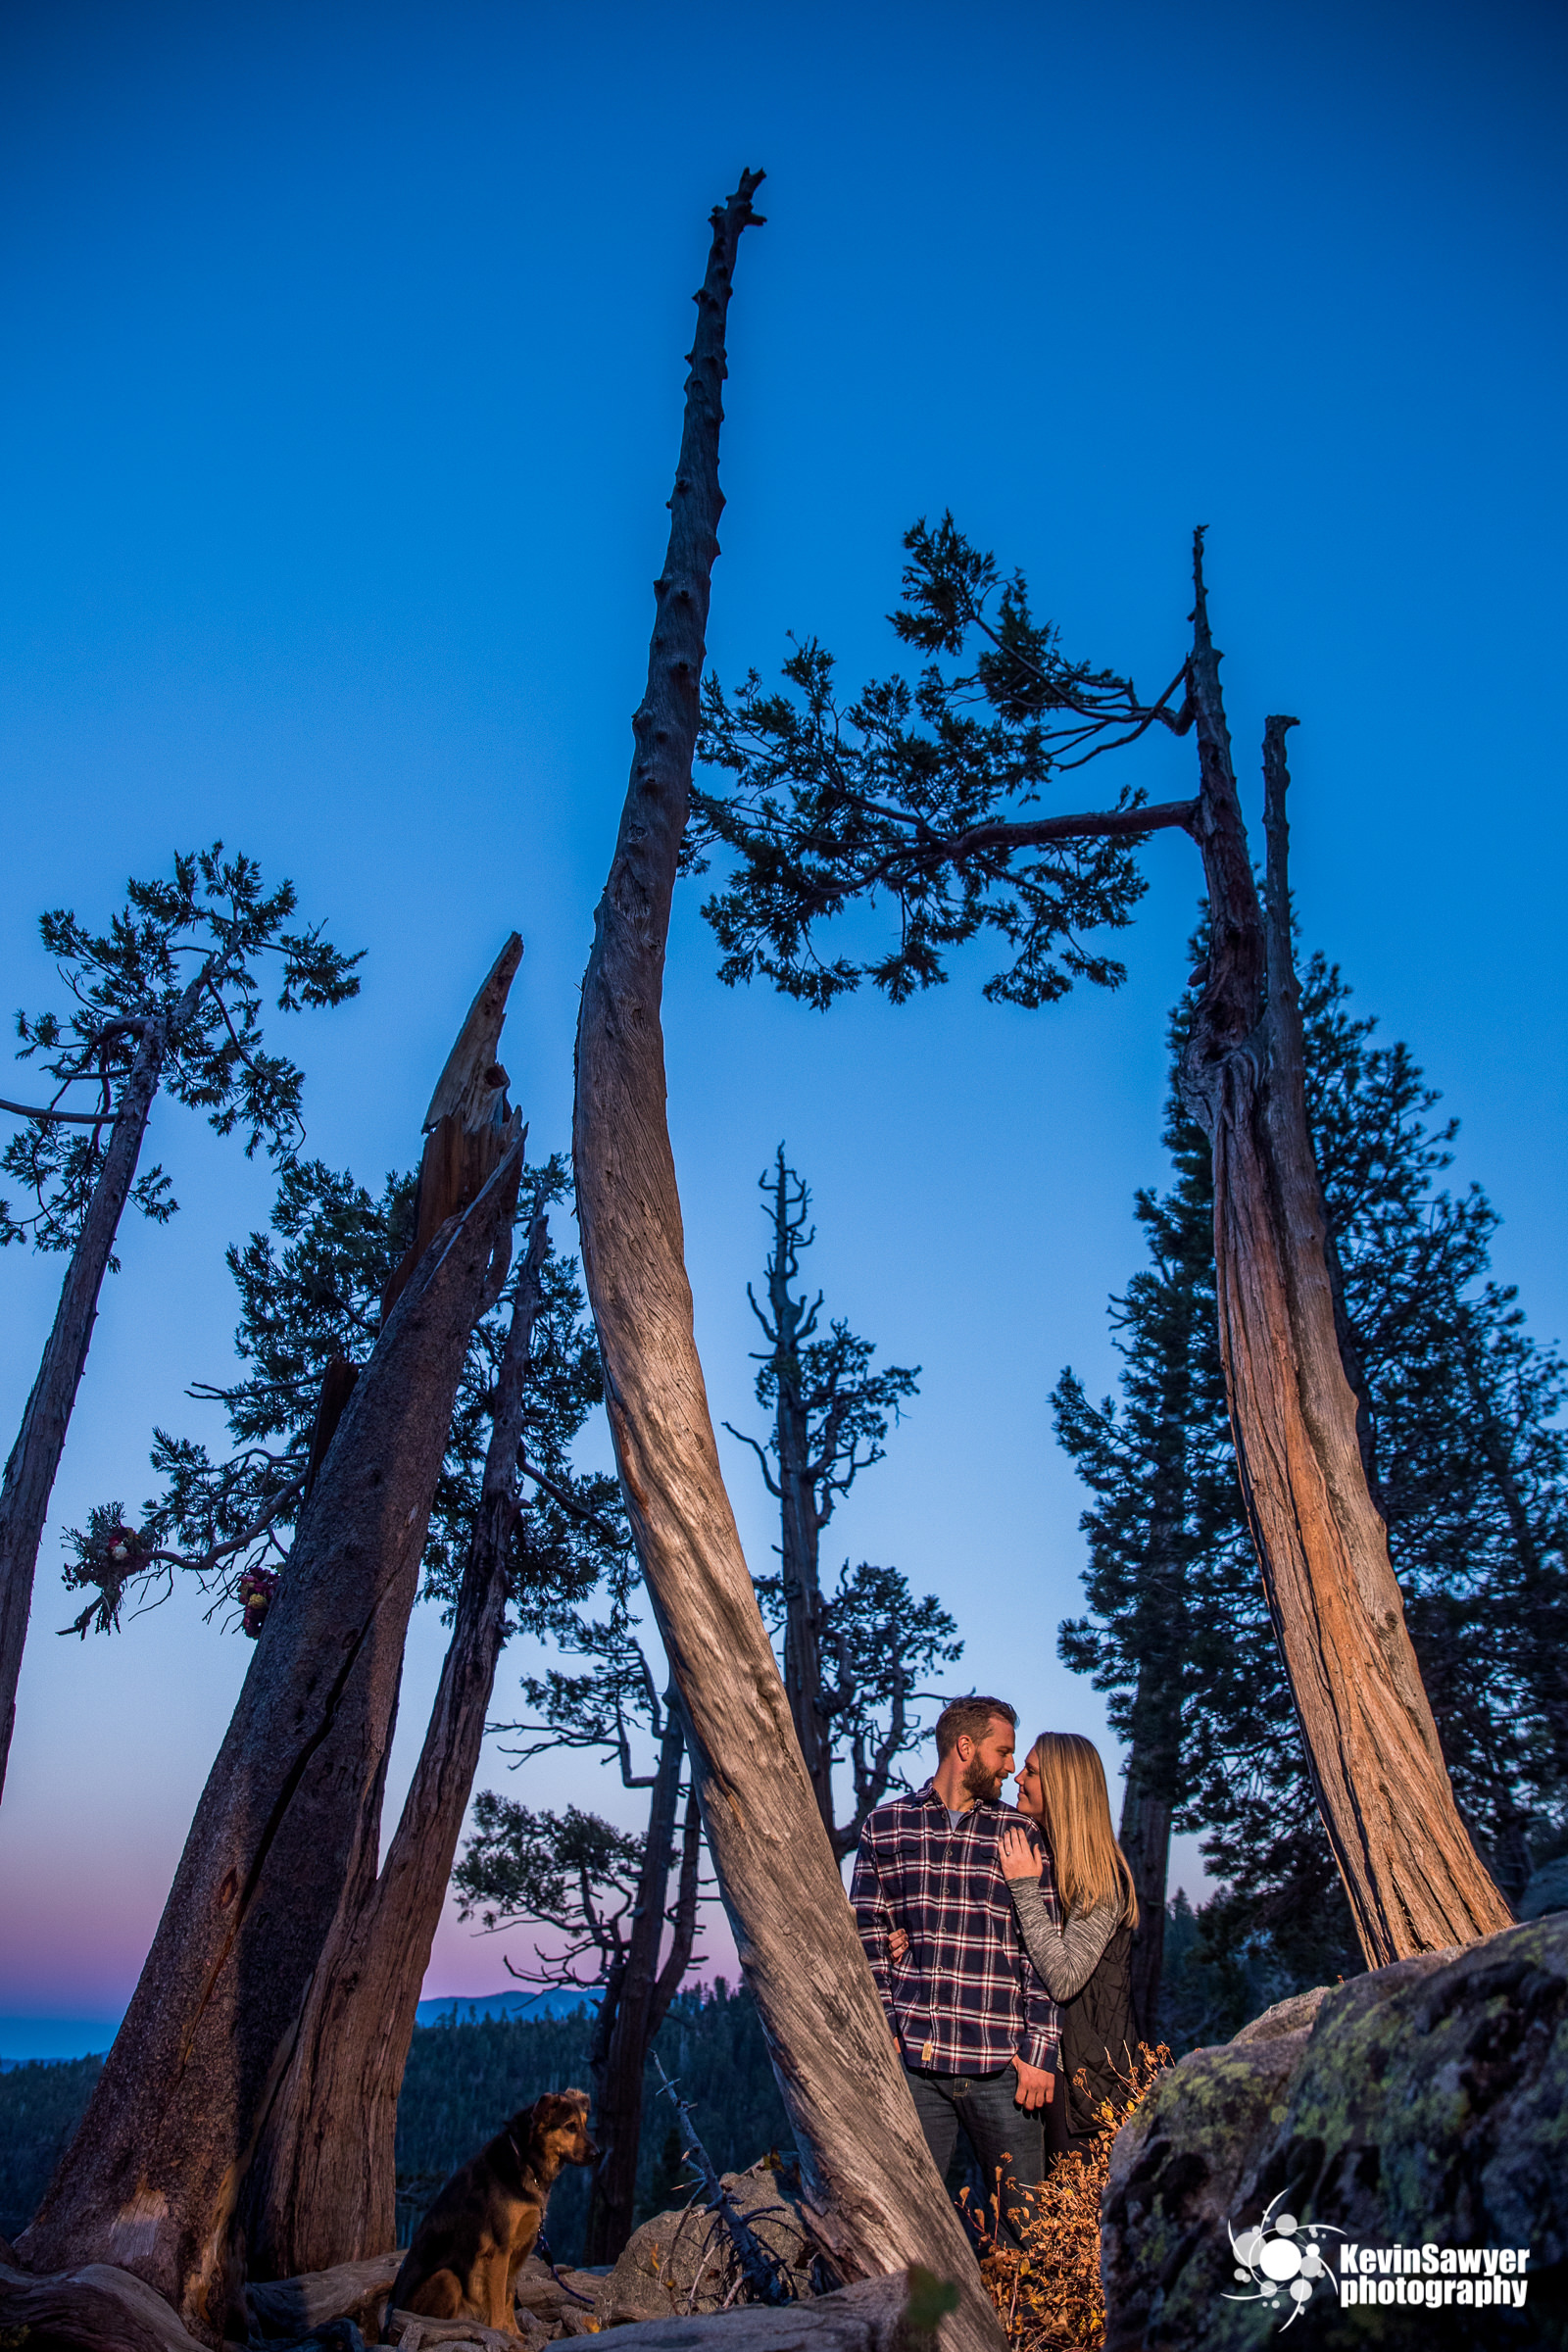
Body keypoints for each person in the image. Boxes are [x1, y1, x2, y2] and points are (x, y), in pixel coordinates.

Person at [851, 1696, 1060, 2243]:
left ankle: (1027, 2332)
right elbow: (868, 1932)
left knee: (1026, 2235)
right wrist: (886, 2025)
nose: (1011, 1766)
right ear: (965, 1749)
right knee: (906, 2228)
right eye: (1004, 1751)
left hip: (1004, 2069)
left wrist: (1040, 2052)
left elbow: (1042, 1952)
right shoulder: (888, 1826)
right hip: (918, 2066)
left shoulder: (1020, 1835)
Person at [999, 1731, 1139, 2162]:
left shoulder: (1101, 1878)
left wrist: (1023, 1885)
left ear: (1062, 1787)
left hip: (1084, 2084)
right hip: (1044, 2069)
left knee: (1073, 2218)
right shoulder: (1049, 1858)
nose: (1018, 1778)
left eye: (1033, 1772)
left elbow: (1063, 1978)